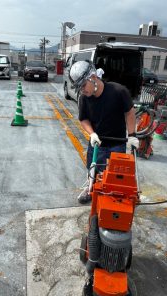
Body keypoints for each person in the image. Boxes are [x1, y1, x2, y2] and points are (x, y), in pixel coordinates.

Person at [69, 60, 139, 204]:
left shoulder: (118, 91)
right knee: (93, 171)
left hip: (117, 144)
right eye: (79, 88)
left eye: (83, 85)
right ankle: (89, 189)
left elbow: (130, 112)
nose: (82, 90)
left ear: (93, 77)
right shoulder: (84, 98)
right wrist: (92, 134)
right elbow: (84, 119)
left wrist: (132, 136)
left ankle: (118, 198)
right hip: (97, 143)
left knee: (116, 175)